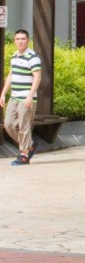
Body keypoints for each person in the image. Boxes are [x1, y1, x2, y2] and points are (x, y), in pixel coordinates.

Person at [0, 29, 42, 166]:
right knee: (8, 124)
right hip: (14, 97)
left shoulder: (33, 57)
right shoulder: (15, 56)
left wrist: (30, 96)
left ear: (28, 40)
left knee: (24, 126)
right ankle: (29, 145)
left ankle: (24, 155)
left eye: (23, 39)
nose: (20, 41)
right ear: (14, 41)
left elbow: (37, 77)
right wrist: (3, 93)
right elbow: (11, 75)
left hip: (26, 98)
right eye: (17, 39)